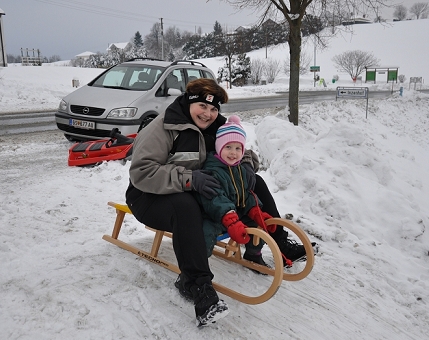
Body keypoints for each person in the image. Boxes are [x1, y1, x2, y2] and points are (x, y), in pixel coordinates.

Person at [125, 78, 312, 327]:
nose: (208, 114)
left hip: (195, 190)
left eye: (214, 109)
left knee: (255, 181)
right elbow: (141, 173)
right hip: (149, 196)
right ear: (189, 101)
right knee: (185, 206)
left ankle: (280, 242)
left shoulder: (217, 125)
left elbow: (240, 149)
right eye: (203, 106)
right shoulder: (164, 127)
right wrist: (189, 179)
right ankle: (196, 284)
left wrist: (245, 164)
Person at [195, 115, 277, 268]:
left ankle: (253, 254)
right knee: (205, 233)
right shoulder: (212, 170)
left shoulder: (240, 169)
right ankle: (197, 267)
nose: (233, 152)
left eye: (238, 148)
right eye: (228, 147)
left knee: (257, 225)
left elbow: (247, 194)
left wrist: (255, 211)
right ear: (219, 148)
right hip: (214, 215)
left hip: (234, 213)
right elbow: (215, 199)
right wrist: (230, 219)